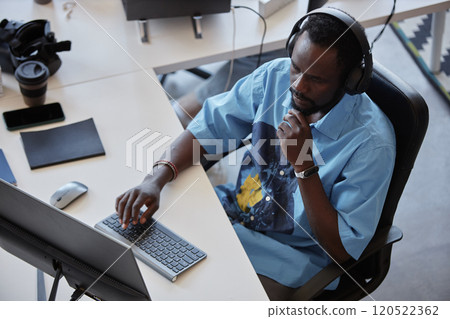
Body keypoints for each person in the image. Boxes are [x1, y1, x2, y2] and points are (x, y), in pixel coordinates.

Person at [115, 8, 396, 300]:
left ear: (350, 81)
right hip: (236, 214)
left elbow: (341, 250)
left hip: (290, 257)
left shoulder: (372, 145)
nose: (297, 86)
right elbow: (209, 127)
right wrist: (155, 178)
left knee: (197, 298)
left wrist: (304, 166)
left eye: (316, 79)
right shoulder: (274, 77)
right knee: (143, 259)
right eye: (296, 68)